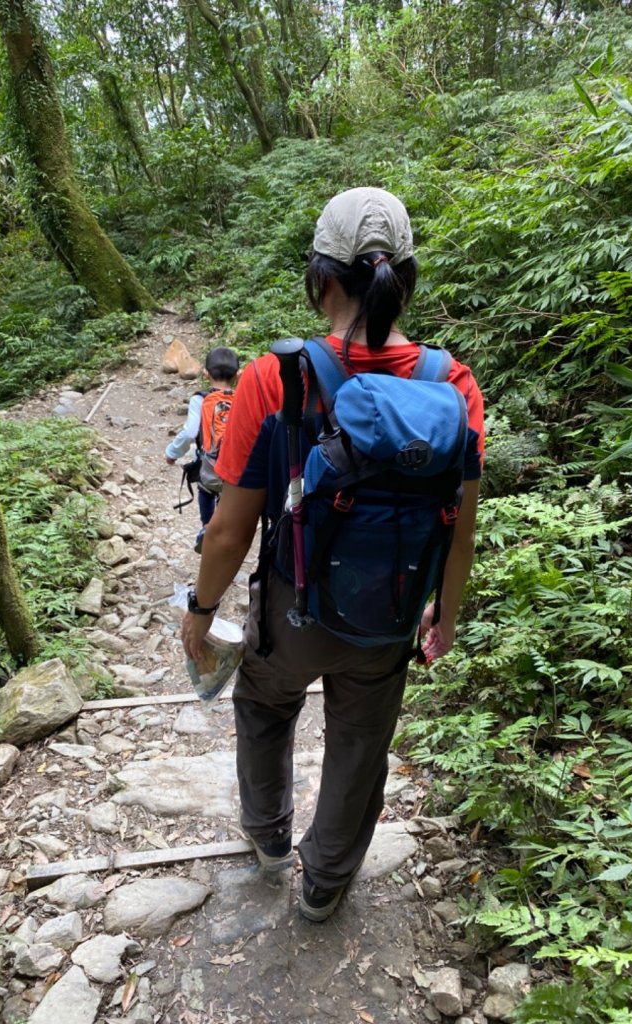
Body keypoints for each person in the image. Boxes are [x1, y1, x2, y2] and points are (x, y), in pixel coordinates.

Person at [181, 187, 484, 922]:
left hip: (294, 603)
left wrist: (201, 611)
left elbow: (230, 528)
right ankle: (324, 883)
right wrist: (446, 612)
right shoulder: (452, 383)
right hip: (390, 613)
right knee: (360, 740)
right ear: (404, 279)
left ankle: (268, 837)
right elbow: (461, 521)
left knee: (263, 706)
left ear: (319, 279)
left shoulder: (276, 377)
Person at [165, 346, 240, 553]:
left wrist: (172, 453)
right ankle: (227, 534)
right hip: (236, 468)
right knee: (228, 498)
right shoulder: (242, 398)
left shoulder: (200, 399)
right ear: (237, 374)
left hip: (210, 465)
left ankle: (207, 528)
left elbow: (190, 432)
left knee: (206, 490)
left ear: (205, 373)